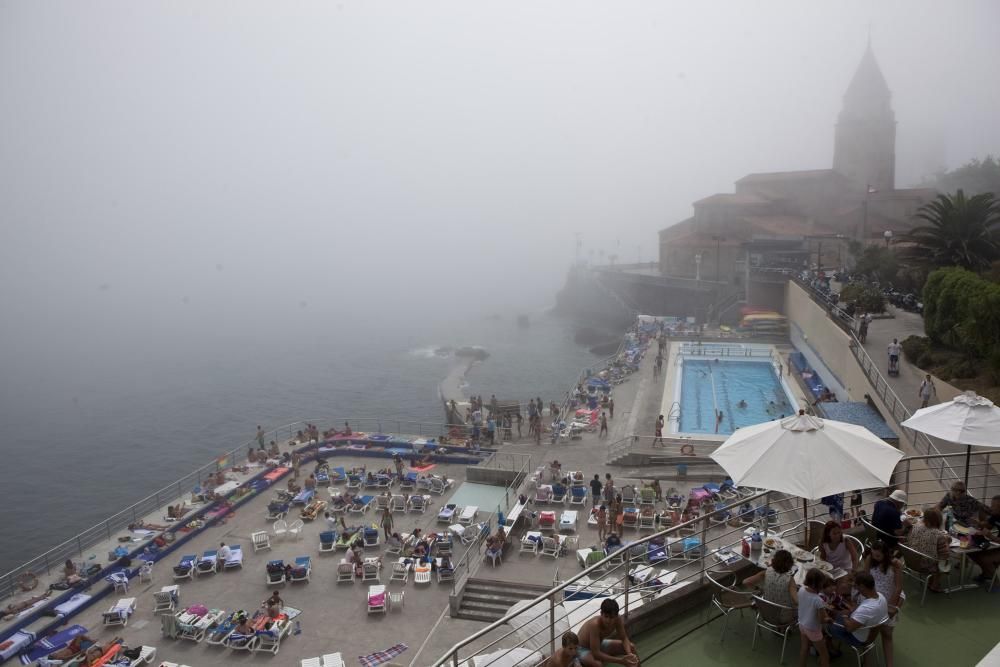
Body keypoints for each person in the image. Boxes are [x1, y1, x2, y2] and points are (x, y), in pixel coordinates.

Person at [861, 541, 902, 666]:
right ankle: (866, 662)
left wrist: (889, 607)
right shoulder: (870, 559)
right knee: (870, 633)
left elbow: (898, 587)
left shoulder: (895, 565)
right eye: (873, 555)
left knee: (887, 634)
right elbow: (865, 579)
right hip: (872, 599)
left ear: (885, 554)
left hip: (888, 599)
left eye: (878, 555)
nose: (875, 558)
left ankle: (890, 664)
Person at [827, 572, 888, 652]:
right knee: (838, 614)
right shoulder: (881, 596)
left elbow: (849, 628)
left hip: (858, 639)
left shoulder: (866, 609)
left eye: (856, 586)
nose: (854, 588)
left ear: (862, 587)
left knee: (827, 626)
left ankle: (831, 650)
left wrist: (845, 616)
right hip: (869, 633)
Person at [576, 598, 638, 667]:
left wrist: (629, 654)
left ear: (616, 616)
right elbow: (596, 653)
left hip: (599, 644)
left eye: (611, 617)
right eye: (606, 616)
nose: (608, 620)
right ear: (601, 614)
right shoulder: (595, 625)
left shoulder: (618, 619)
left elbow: (623, 638)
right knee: (598, 664)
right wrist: (620, 661)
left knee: (631, 647)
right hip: (582, 649)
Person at [742, 549, 797, 623]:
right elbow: (797, 601)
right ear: (790, 565)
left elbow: (745, 582)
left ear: (774, 561)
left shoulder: (766, 572)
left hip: (765, 612)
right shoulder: (790, 580)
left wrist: (758, 589)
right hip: (783, 617)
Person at [905, 508, 950, 593]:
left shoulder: (916, 526)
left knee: (932, 555)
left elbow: (909, 539)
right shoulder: (938, 535)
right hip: (925, 565)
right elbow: (944, 555)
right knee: (944, 562)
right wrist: (947, 542)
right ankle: (934, 585)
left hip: (911, 560)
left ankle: (931, 581)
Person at [797, 568, 831, 667]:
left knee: (804, 649)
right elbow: (822, 619)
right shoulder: (818, 600)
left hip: (802, 625)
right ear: (818, 584)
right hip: (813, 630)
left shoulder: (801, 589)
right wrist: (828, 619)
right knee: (824, 655)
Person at [971, 495, 1000, 585]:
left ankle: (996, 582)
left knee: (984, 558)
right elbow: (988, 525)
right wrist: (979, 524)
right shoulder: (996, 515)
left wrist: (990, 536)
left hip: (997, 543)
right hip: (996, 544)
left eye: (993, 506)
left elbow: (990, 534)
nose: (991, 508)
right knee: (972, 553)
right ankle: (987, 573)